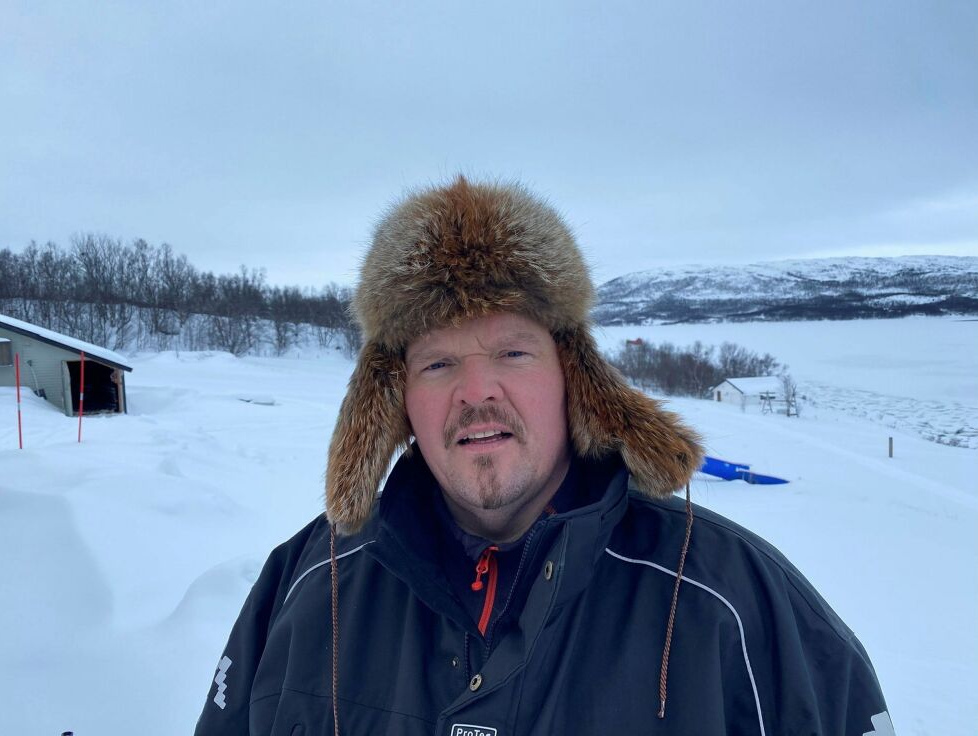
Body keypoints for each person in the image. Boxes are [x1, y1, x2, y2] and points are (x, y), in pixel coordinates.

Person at [195, 177, 892, 735]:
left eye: (512, 352)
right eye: (437, 364)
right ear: (393, 399)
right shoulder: (307, 588)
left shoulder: (733, 605)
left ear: (576, 378)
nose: (476, 392)